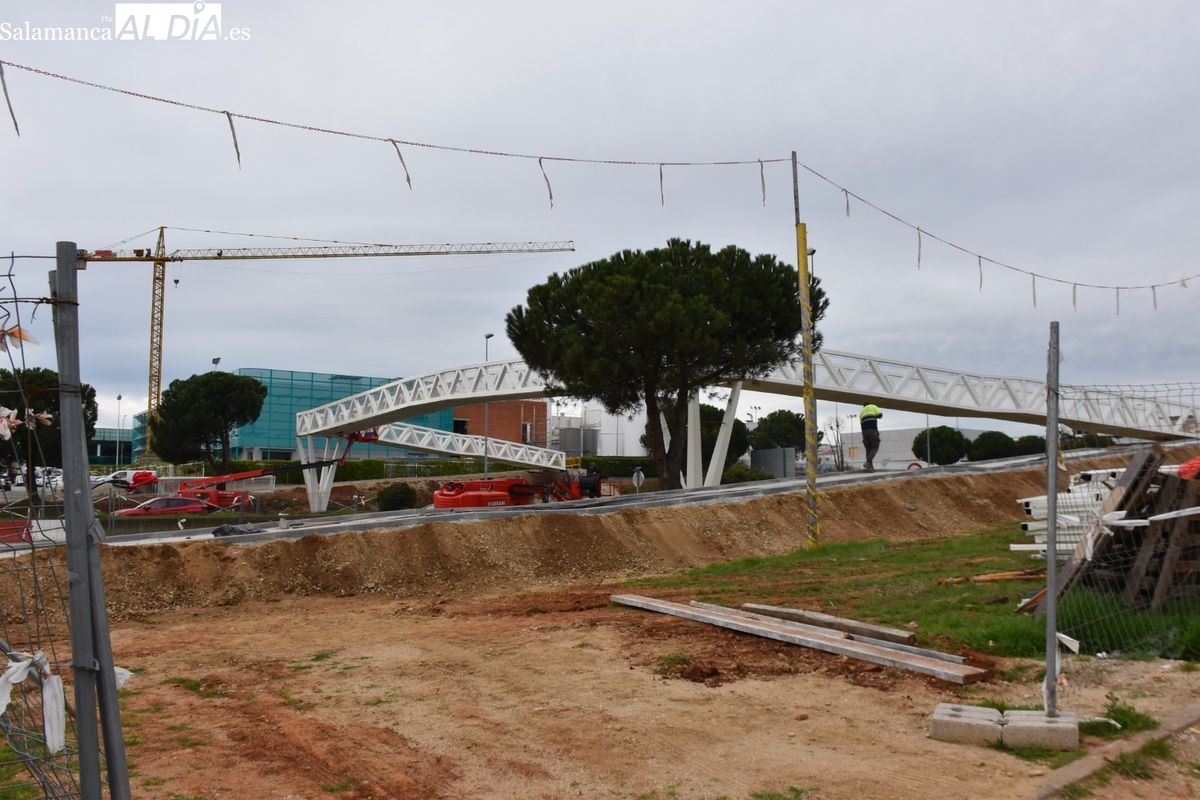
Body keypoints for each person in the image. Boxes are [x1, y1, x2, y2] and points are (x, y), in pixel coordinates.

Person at [859, 402, 883, 472]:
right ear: (869, 404)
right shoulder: (873, 406)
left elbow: (861, 423)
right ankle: (868, 462)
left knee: (868, 449)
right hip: (872, 430)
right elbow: (880, 415)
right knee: (875, 447)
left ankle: (869, 468)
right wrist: (876, 416)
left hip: (864, 432)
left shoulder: (861, 412)